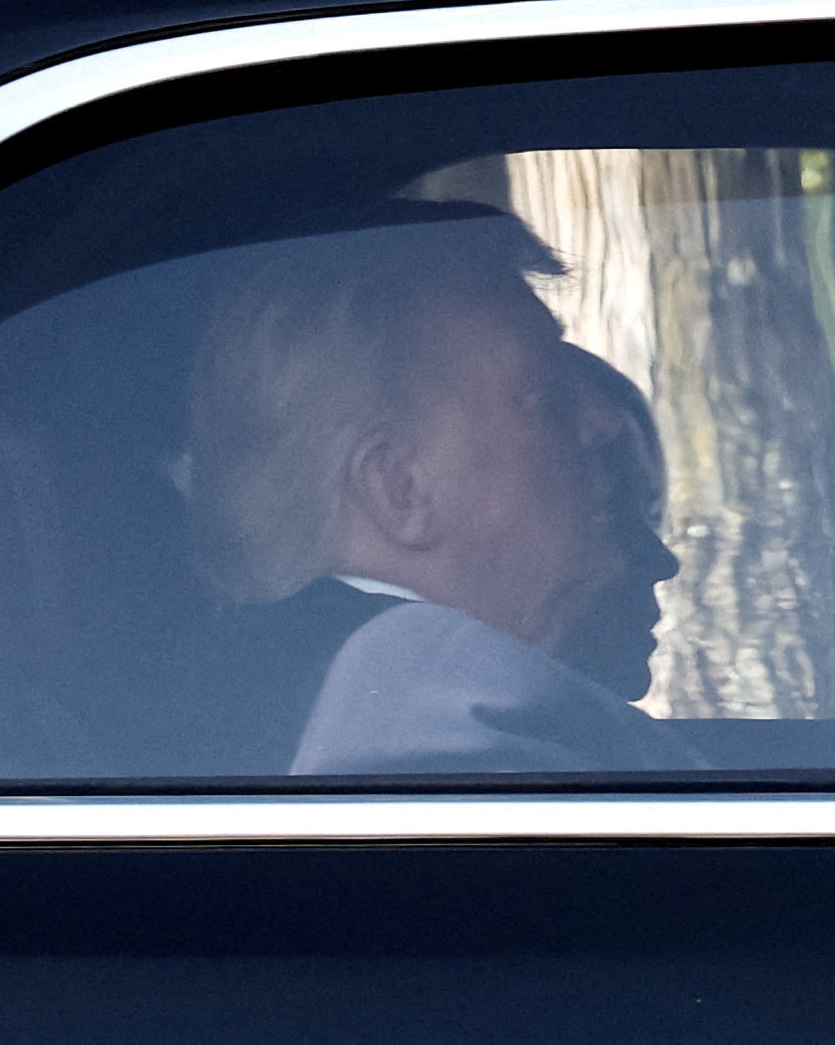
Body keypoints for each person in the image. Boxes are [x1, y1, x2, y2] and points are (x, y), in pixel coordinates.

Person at [185, 201, 703, 774]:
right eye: (546, 395)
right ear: (400, 488)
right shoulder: (444, 704)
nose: (604, 421)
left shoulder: (229, 699)